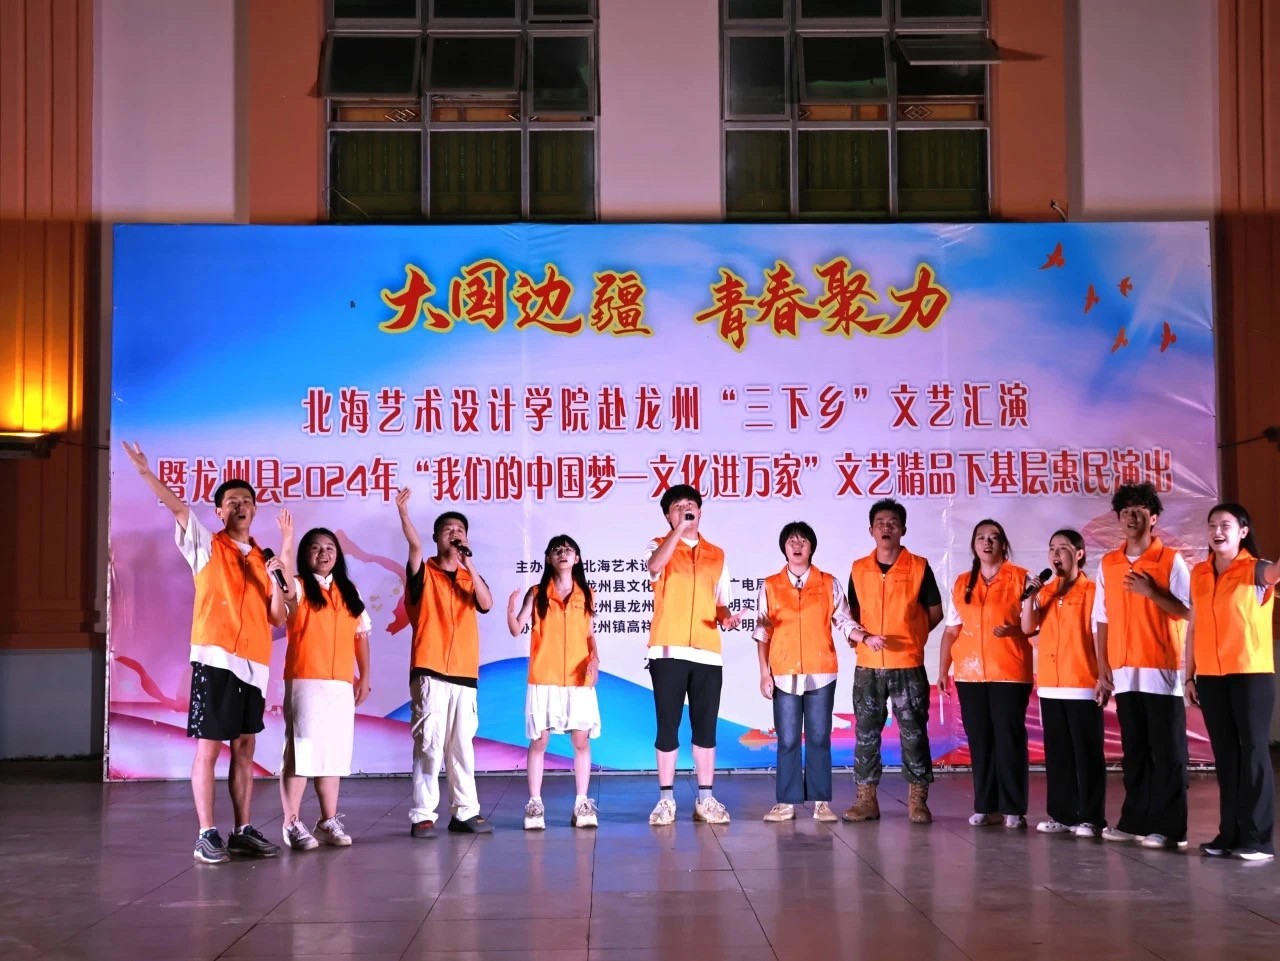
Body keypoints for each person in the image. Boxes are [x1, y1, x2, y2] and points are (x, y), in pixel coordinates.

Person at [120, 442, 287, 864]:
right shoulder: (207, 545)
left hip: (255, 666)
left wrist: (278, 579)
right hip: (216, 660)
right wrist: (145, 472)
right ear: (219, 511)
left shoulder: (264, 559)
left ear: (255, 510)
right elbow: (178, 509)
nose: (240, 506)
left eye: (246, 501)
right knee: (210, 748)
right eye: (232, 502)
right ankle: (205, 834)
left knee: (245, 747)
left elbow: (278, 617)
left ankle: (242, 831)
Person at [1093, 483, 1190, 850]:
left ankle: (1171, 829)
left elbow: (1188, 611)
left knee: (1167, 753)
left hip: (1160, 670)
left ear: (1153, 518)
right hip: (1124, 671)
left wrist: (1153, 593)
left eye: (1138, 511)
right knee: (1135, 751)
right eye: (1125, 512)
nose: (1131, 517)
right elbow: (1102, 618)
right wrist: (1103, 666)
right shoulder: (1109, 563)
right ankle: (1135, 821)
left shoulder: (1171, 560)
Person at [396, 488, 494, 837]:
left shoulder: (470, 578)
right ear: (437, 537)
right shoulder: (424, 572)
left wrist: (470, 564)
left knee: (462, 745)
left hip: (465, 674)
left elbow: (486, 604)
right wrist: (404, 514)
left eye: (460, 530)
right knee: (429, 744)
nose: (455, 534)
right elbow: (414, 548)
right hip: (430, 670)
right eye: (448, 529)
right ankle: (423, 814)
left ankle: (465, 812)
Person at [1185, 503, 1278, 861]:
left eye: (1225, 525)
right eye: (1212, 525)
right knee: (1226, 755)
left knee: (1253, 752)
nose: (1217, 531)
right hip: (1210, 676)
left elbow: (1275, 574)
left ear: (1243, 531)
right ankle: (1230, 834)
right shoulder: (1199, 572)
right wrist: (1189, 674)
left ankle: (1258, 840)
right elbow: (1194, 626)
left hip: (1250, 673)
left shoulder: (1255, 569)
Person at [645, 484, 742, 826]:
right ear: (668, 516)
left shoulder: (717, 554)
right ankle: (666, 799)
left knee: (705, 728)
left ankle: (705, 798)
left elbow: (720, 602)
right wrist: (678, 532)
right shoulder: (659, 544)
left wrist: (726, 618)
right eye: (677, 506)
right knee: (667, 727)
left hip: (707, 653)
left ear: (700, 511)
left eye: (690, 505)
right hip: (667, 650)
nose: (685, 509)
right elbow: (654, 567)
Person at [843, 498, 944, 825]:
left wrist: (913, 636)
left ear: (903, 529)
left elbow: (935, 612)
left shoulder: (919, 567)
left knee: (913, 732)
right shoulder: (859, 568)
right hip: (868, 666)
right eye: (880, 523)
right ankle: (866, 799)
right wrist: (859, 638)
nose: (886, 528)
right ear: (871, 530)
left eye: (893, 523)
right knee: (866, 732)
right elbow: (851, 614)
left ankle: (918, 800)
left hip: (907, 665)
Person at [276, 513, 373, 851]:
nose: (324, 553)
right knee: (301, 753)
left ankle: (327, 821)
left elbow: (361, 636)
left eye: (329, 547)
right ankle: (291, 823)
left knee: (332, 753)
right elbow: (284, 584)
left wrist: (364, 677)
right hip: (305, 679)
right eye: (315, 548)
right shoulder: (299, 586)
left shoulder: (349, 590)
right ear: (306, 555)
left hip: (340, 683)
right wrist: (288, 539)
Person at [753, 521, 860, 823]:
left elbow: (844, 620)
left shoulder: (828, 583)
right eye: (791, 541)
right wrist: (764, 673)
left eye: (803, 541)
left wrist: (863, 637)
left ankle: (821, 802)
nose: (797, 546)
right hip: (783, 672)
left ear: (812, 547)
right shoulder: (771, 585)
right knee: (787, 739)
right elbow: (763, 632)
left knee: (819, 738)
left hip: (821, 672)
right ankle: (786, 802)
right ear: (784, 548)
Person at [938, 519, 1034, 829]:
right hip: (969, 674)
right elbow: (951, 630)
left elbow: (1033, 626)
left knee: (1008, 739)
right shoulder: (962, 582)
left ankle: (1013, 807)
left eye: (994, 537)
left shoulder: (1022, 578)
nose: (987, 542)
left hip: (1010, 672)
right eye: (981, 537)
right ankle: (986, 806)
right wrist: (943, 669)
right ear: (974, 545)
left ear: (1004, 544)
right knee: (980, 740)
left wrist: (1015, 630)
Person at [507, 534, 602, 831]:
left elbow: (589, 634)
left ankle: (582, 802)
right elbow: (517, 628)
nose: (563, 553)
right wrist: (510, 612)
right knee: (540, 740)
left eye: (568, 549)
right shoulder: (537, 593)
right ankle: (535, 804)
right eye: (556, 550)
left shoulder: (587, 593)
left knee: (581, 740)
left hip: (578, 677)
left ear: (577, 558)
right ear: (548, 558)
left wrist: (595, 659)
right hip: (544, 678)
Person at [1019, 529, 1106, 838]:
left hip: (1082, 682)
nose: (1056, 554)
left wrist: (1103, 675)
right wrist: (1030, 596)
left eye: (1063, 548)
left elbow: (1098, 635)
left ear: (1079, 554)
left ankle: (1091, 817)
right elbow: (1027, 628)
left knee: (1087, 754)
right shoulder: (1044, 592)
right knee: (1058, 754)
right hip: (1051, 684)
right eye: (1051, 548)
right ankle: (1062, 814)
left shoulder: (1092, 591)